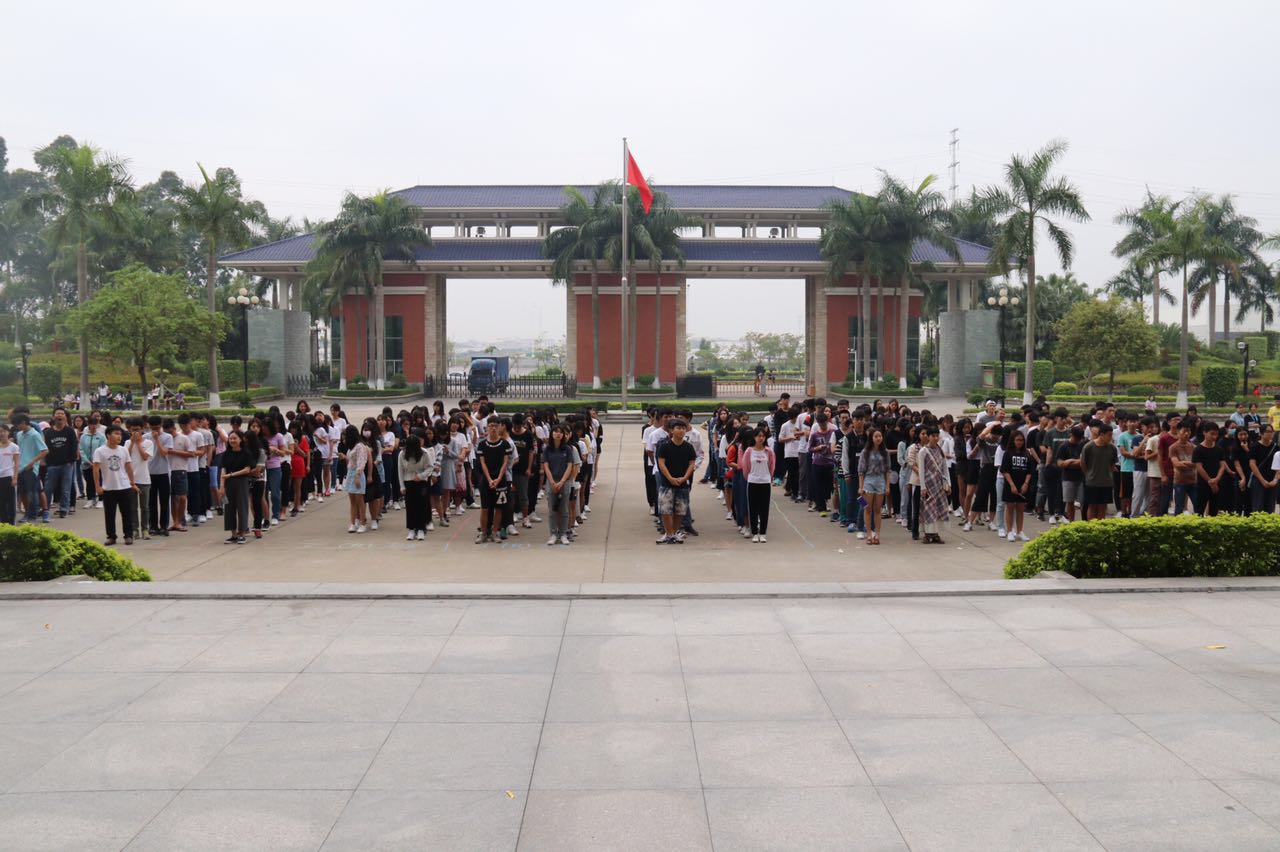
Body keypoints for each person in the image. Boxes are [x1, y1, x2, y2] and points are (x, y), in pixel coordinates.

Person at [93, 424, 137, 546]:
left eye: (120, 434)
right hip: (108, 488)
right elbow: (95, 469)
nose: (119, 437)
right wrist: (97, 486)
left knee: (127, 513)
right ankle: (111, 536)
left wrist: (132, 482)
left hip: (124, 486)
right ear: (108, 435)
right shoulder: (100, 451)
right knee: (109, 514)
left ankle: (128, 535)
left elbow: (129, 466)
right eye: (116, 434)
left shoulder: (123, 450)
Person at [655, 418, 697, 545]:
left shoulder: (689, 447)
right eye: (678, 428)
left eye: (683, 428)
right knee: (665, 509)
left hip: (682, 483)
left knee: (680, 510)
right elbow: (661, 463)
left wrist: (685, 477)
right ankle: (668, 534)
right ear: (671, 430)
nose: (681, 431)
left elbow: (692, 463)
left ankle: (674, 533)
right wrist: (670, 478)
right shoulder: (664, 446)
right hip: (666, 483)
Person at [476, 418, 510, 544]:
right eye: (491, 426)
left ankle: (495, 533)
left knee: (499, 508)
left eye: (496, 425)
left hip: (501, 481)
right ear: (487, 428)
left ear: (499, 427)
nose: (493, 428)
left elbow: (505, 463)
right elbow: (482, 463)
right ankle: (484, 533)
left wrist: (499, 478)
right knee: (485, 508)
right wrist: (490, 479)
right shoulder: (482, 444)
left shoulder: (505, 444)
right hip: (486, 481)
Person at [542, 424, 577, 545]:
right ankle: (553, 533)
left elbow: (570, 466)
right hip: (551, 481)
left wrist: (562, 481)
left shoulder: (567, 449)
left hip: (564, 481)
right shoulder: (547, 449)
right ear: (551, 434)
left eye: (560, 432)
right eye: (556, 431)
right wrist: (552, 481)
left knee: (564, 509)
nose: (558, 434)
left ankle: (563, 533)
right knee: (552, 509)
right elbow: (546, 466)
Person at [398, 432, 436, 541]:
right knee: (410, 506)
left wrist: (421, 475)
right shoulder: (402, 454)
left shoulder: (424, 453)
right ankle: (411, 529)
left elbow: (430, 467)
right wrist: (402, 486)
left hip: (421, 482)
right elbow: (400, 470)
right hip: (408, 481)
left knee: (421, 505)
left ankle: (421, 529)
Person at [219, 429, 254, 544]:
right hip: (228, 483)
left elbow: (247, 470)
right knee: (229, 508)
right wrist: (222, 486)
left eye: (235, 438)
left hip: (241, 482)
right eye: (230, 438)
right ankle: (233, 534)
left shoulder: (246, 453)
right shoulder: (226, 454)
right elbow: (223, 470)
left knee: (242, 507)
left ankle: (242, 534)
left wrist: (231, 475)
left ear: (240, 440)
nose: (232, 440)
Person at [42, 408, 77, 520]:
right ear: (53, 417)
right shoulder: (48, 432)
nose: (60, 415)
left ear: (65, 417)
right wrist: (48, 462)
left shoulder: (70, 431)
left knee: (65, 488)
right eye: (57, 413)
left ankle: (64, 509)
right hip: (52, 465)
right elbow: (45, 448)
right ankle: (45, 509)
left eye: (62, 414)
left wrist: (71, 461)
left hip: (67, 464)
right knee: (48, 488)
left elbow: (74, 446)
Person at [11, 414, 47, 525]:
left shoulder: (35, 435)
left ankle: (32, 516)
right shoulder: (19, 434)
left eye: (18, 424)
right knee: (23, 493)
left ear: (24, 422)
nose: (17, 427)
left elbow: (45, 450)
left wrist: (32, 462)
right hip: (20, 468)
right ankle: (27, 513)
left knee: (32, 493)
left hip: (30, 469)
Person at [741, 427, 775, 542]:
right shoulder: (749, 451)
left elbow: (772, 466)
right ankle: (755, 532)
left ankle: (763, 533)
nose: (761, 438)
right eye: (758, 436)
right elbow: (746, 467)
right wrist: (750, 476)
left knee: (764, 508)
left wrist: (768, 477)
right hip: (752, 481)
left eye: (763, 436)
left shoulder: (769, 451)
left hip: (765, 482)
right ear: (754, 437)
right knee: (753, 508)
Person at [917, 427, 950, 544]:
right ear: (928, 437)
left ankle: (936, 534)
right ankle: (927, 534)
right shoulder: (923, 451)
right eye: (933, 436)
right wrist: (923, 487)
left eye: (937, 436)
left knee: (939, 509)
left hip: (939, 484)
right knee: (928, 509)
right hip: (928, 484)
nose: (935, 438)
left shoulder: (940, 450)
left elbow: (945, 468)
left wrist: (948, 483)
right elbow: (921, 470)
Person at [1080, 424, 1119, 521]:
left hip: (1106, 482)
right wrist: (1088, 475)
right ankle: (1091, 526)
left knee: (1102, 506)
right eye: (1109, 435)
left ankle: (1100, 526)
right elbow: (1083, 464)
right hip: (1092, 482)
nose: (1111, 438)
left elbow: (1112, 464)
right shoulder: (1088, 447)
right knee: (1092, 506)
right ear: (1101, 434)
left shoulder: (1112, 448)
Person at [859, 428, 890, 545]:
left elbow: (888, 471)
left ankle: (877, 534)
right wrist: (861, 486)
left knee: (878, 509)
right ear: (871, 438)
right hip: (868, 480)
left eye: (880, 436)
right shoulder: (865, 452)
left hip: (880, 480)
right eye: (876, 436)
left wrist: (887, 486)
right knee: (867, 508)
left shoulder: (885, 452)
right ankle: (868, 533)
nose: (878, 438)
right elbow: (861, 471)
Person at [1000, 429, 1032, 540]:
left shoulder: (1027, 453)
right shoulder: (1008, 453)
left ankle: (1020, 531)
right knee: (1010, 508)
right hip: (1010, 484)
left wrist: (1026, 483)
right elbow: (1004, 470)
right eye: (1017, 440)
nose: (1019, 442)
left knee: (1020, 508)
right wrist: (1012, 484)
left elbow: (1029, 471)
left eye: (1021, 440)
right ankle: (1009, 531)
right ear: (1013, 440)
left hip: (1022, 484)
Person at [125, 418, 153, 540]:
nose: (135, 432)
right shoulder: (127, 442)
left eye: (137, 430)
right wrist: (132, 443)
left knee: (145, 507)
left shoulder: (148, 443)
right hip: (131, 480)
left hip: (144, 479)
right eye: (133, 430)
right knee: (132, 507)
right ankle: (135, 529)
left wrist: (138, 443)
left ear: (142, 429)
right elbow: (126, 456)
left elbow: (145, 457)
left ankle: (145, 529)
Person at [1192, 422, 1228, 517]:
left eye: (1216, 434)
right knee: (1199, 511)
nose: (1214, 437)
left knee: (1214, 511)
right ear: (1205, 433)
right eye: (1212, 434)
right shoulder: (1198, 449)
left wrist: (1216, 479)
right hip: (1203, 483)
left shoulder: (1219, 449)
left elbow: (1222, 465)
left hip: (1217, 483)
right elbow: (1199, 467)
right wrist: (1210, 481)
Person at [340, 424, 371, 533]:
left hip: (358, 473)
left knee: (360, 500)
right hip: (350, 473)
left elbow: (362, 462)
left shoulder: (360, 446)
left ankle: (362, 523)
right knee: (352, 501)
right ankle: (353, 523)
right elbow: (351, 461)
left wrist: (357, 476)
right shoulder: (351, 447)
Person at [0, 424, 19, 525]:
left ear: (8, 432)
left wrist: (15, 478)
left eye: (4, 431)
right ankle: (3, 523)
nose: (2, 434)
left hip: (9, 477)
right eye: (0, 432)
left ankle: (11, 524)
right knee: (1, 502)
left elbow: (16, 464)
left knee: (11, 502)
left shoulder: (14, 447)